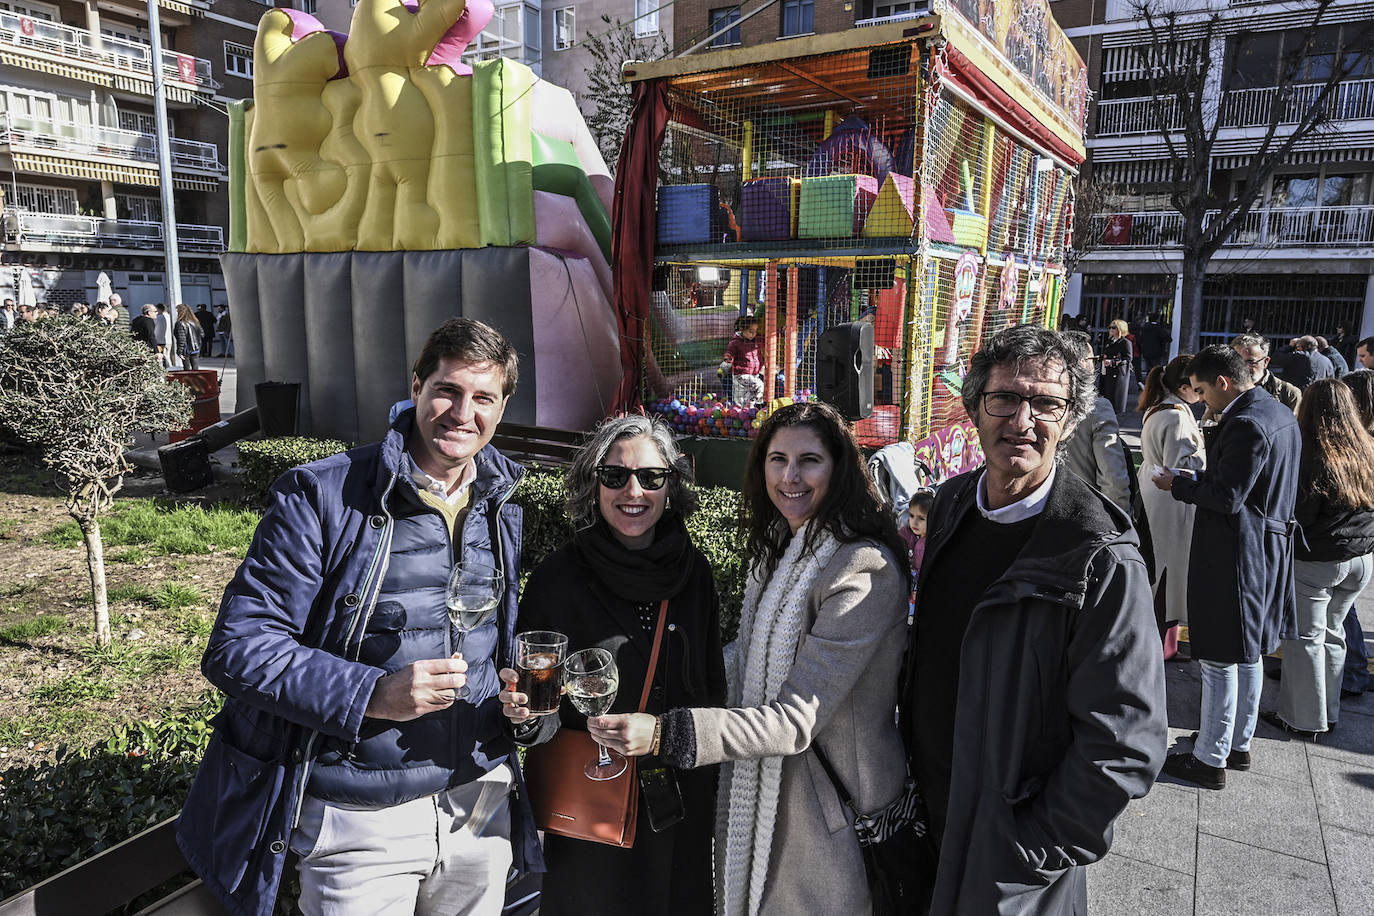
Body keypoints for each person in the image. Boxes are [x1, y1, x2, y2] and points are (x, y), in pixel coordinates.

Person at [177, 318, 545, 916]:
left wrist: (520, 710)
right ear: (416, 386)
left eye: (483, 398)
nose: (462, 414)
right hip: (359, 816)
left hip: (478, 800)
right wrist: (372, 693)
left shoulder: (500, 502)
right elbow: (239, 646)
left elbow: (493, 644)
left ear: (503, 408)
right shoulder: (322, 494)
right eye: (447, 391)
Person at [590, 402, 910, 915]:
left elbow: (794, 720)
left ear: (840, 468)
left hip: (832, 821)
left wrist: (668, 733)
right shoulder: (781, 550)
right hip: (775, 800)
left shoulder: (863, 569)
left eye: (809, 460)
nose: (789, 477)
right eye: (777, 459)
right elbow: (750, 656)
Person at [904, 324, 1166, 913]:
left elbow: (1126, 742)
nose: (1022, 420)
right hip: (928, 817)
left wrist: (1029, 851)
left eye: (1046, 404)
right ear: (975, 408)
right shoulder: (950, 505)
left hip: (1008, 854)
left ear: (1069, 422)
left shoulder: (1098, 555)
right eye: (1004, 398)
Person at [502, 415, 725, 916]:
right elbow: (540, 707)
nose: (634, 491)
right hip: (593, 809)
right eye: (615, 475)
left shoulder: (694, 573)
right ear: (593, 483)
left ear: (671, 486)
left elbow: (712, 691)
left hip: (678, 805)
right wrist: (526, 719)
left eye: (651, 476)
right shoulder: (559, 577)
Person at [1154, 345, 1301, 790]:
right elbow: (1246, 486)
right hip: (1265, 547)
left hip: (1237, 554)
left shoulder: (1246, 423)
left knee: (1219, 656)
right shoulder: (1277, 411)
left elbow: (1228, 497)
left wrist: (1178, 484)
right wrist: (1197, 480)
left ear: (1223, 382)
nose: (1201, 400)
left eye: (1202, 391)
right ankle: (1236, 743)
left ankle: (1209, 759)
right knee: (1248, 651)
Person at [1263, 379, 1374, 739]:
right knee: (1333, 634)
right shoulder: (1367, 447)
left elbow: (1302, 514)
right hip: (1361, 558)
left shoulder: (1313, 453)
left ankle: (1304, 719)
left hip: (1319, 560)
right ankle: (1328, 711)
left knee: (1306, 641)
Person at [1136, 355, 1206, 656]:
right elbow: (1178, 465)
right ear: (1183, 387)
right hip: (1170, 499)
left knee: (1162, 569)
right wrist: (1206, 454)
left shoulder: (1160, 406)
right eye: (1197, 387)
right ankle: (1159, 648)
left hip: (1156, 492)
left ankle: (1166, 645)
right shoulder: (1176, 416)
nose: (1201, 393)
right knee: (1168, 572)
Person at [1060, 331, 1132, 513]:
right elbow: (1113, 477)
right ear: (1083, 362)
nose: (1095, 365)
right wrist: (1120, 517)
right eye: (1093, 359)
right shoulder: (1097, 408)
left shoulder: (1036, 404)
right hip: (1085, 511)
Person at [1340, 369, 1374, 697]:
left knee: (1342, 611)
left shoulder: (1360, 440)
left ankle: (1352, 672)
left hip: (1350, 541)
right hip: (1360, 541)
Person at [1227, 333, 1300, 416]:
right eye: (1237, 361)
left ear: (1266, 362)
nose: (1242, 367)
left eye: (1250, 362)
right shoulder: (1224, 389)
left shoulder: (1289, 394)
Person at [720, 315, 763, 406]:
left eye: (755, 331)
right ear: (742, 330)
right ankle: (759, 404)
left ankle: (747, 409)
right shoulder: (735, 343)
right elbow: (730, 352)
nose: (754, 334)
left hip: (753, 375)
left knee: (743, 400)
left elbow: (769, 337)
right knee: (759, 385)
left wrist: (781, 331)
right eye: (751, 331)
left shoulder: (756, 340)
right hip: (741, 375)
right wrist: (727, 360)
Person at [901, 488, 933, 584]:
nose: (914, 522)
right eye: (911, 516)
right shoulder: (908, 534)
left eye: (921, 518)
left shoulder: (929, 544)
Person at [1102, 318, 1134, 414]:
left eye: (1114, 327)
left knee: (1116, 398)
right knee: (1107, 394)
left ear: (1120, 329)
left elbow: (1128, 358)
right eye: (1110, 327)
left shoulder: (1126, 343)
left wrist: (1113, 362)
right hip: (1108, 371)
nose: (1111, 329)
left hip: (1119, 373)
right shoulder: (1110, 341)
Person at [173, 303, 204, 371]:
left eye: (178, 311)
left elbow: (181, 338)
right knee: (195, 369)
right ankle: (196, 378)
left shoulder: (180, 323)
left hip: (186, 349)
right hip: (196, 348)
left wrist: (179, 351)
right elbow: (202, 334)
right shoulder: (195, 321)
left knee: (187, 370)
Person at [154, 302, 174, 369]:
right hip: (169, 340)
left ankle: (169, 369)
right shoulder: (170, 317)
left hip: (160, 340)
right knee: (168, 356)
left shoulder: (158, 317)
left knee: (164, 357)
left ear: (159, 309)